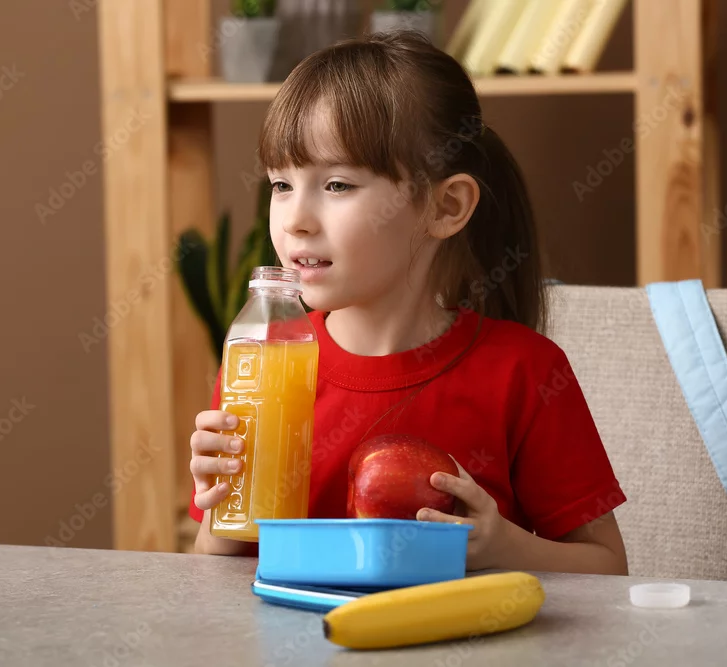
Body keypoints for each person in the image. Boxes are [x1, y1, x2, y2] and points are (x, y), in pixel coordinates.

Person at [188, 30, 628, 575]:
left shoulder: (527, 372)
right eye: (281, 185)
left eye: (337, 185)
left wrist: (508, 548)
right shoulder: (260, 363)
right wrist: (219, 514)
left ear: (446, 206)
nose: (295, 219)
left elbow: (608, 567)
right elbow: (213, 577)